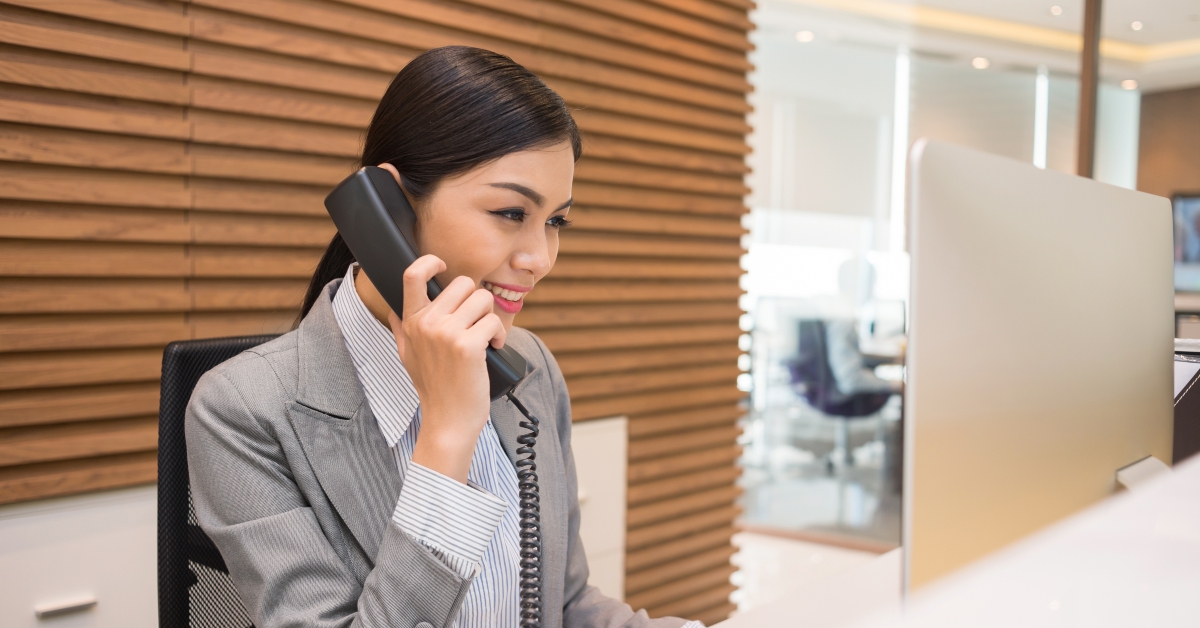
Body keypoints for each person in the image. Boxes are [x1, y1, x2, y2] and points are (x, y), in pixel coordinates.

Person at [186, 46, 703, 628]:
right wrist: (448, 436)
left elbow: (565, 604)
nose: (540, 258)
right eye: (511, 212)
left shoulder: (528, 365)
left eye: (556, 221)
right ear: (388, 208)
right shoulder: (242, 410)